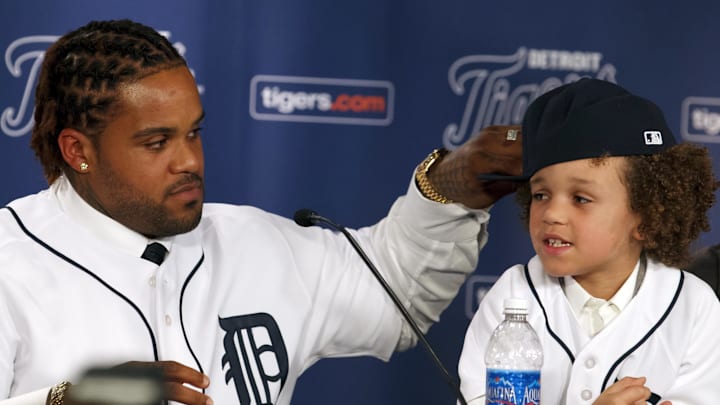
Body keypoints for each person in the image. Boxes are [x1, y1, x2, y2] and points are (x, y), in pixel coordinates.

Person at [0, 19, 523, 405]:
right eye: (156, 142)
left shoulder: (251, 241)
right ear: (78, 150)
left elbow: (395, 291)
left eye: (193, 133)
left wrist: (450, 188)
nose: (189, 160)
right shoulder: (10, 260)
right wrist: (63, 400)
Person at [457, 78, 720, 404]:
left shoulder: (694, 307)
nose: (552, 213)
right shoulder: (513, 297)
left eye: (580, 198)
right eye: (541, 194)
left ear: (648, 215)